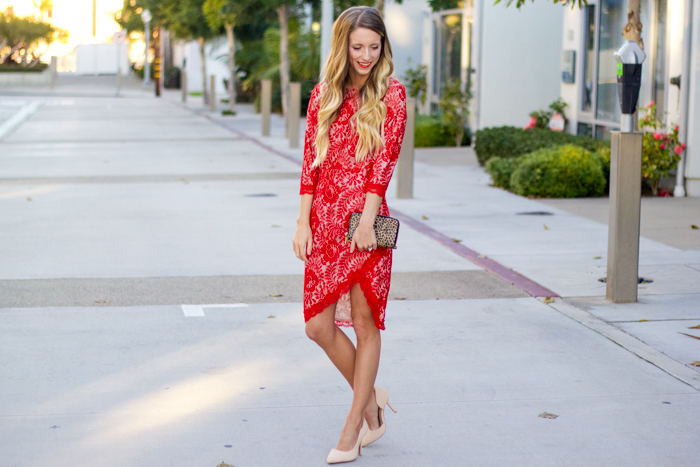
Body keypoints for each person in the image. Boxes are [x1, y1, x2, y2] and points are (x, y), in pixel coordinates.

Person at [292, 5, 407, 464]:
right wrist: (302, 222)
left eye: (373, 47)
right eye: (357, 47)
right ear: (343, 46)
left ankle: (354, 424)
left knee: (365, 322)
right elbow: (310, 164)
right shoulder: (323, 95)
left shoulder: (392, 95)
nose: (365, 55)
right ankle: (371, 399)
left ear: (383, 48)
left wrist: (366, 218)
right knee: (317, 325)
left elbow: (386, 162)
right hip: (324, 222)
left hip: (369, 223)